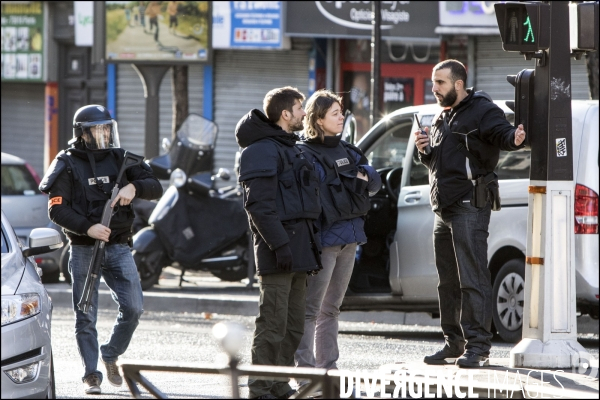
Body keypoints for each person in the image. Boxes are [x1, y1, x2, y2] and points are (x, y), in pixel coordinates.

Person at [39, 105, 163, 394]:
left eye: (107, 128)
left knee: (134, 308)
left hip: (118, 245)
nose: (104, 134)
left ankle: (110, 353)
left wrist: (134, 188)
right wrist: (87, 227)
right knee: (85, 315)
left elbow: (155, 186)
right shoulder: (67, 162)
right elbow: (56, 210)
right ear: (82, 133)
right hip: (83, 248)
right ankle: (91, 375)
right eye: (97, 130)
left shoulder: (121, 158)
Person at [415, 60, 526, 368]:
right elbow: (438, 162)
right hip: (444, 207)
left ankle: (478, 347)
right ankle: (454, 342)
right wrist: (424, 150)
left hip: (469, 205)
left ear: (459, 84)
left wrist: (514, 139)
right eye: (434, 82)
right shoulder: (442, 114)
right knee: (447, 281)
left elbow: (503, 134)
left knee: (472, 277)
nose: (434, 88)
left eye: (441, 83)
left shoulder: (482, 109)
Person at [235, 87, 322, 399]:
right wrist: (279, 245)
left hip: (300, 250)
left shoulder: (292, 147)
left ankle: (279, 382)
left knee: (294, 324)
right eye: (299, 108)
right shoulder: (259, 150)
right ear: (286, 114)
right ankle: (260, 388)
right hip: (279, 251)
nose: (303, 113)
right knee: (273, 324)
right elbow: (258, 206)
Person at [294, 90, 381, 393]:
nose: (341, 116)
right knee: (310, 309)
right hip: (323, 240)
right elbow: (319, 192)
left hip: (350, 238)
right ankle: (305, 375)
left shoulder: (350, 149)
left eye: (341, 112)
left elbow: (373, 181)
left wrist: (362, 177)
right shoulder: (303, 152)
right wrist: (355, 180)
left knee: (330, 309)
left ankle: (328, 370)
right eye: (334, 113)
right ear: (317, 119)